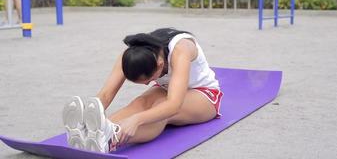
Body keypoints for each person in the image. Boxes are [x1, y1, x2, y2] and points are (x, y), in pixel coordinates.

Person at [62, 28, 223, 153]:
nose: (147, 84)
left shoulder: (181, 49)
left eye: (149, 79)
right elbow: (106, 94)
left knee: (162, 107)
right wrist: (92, 114)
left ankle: (111, 139)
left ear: (160, 64)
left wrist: (137, 120)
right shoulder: (132, 54)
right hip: (167, 89)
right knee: (140, 102)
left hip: (204, 95)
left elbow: (173, 104)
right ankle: (94, 132)